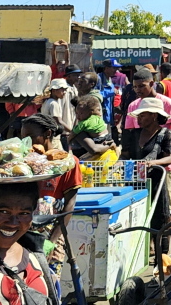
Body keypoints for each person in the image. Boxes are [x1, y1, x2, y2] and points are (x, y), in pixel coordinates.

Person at [21, 113, 84, 277]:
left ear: (48, 134)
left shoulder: (68, 163)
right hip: (23, 229)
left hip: (52, 230)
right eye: (23, 138)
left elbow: (70, 204)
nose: (26, 142)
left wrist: (52, 241)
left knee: (49, 279)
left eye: (31, 137)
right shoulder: (23, 162)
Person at [122, 70, 171, 215]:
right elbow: (128, 136)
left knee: (166, 208)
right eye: (135, 87)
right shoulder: (133, 106)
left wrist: (165, 146)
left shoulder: (167, 103)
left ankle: (164, 234)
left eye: (141, 86)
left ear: (152, 84)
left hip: (163, 166)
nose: (138, 90)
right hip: (139, 170)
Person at [121, 97, 171, 236]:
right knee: (135, 217)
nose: (138, 119)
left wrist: (153, 163)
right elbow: (125, 154)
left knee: (159, 218)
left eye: (142, 115)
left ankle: (160, 253)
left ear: (154, 116)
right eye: (138, 116)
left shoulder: (166, 134)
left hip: (155, 182)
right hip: (134, 183)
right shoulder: (133, 134)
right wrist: (119, 162)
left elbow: (169, 157)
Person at [71, 94, 117, 160]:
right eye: (77, 113)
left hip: (94, 165)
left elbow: (94, 149)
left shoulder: (81, 131)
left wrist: (110, 145)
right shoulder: (83, 128)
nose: (99, 113)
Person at [40, 78, 74, 146]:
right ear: (54, 90)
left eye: (65, 90)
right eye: (62, 89)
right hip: (53, 137)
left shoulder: (46, 101)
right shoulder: (53, 103)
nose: (64, 92)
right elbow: (58, 121)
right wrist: (72, 132)